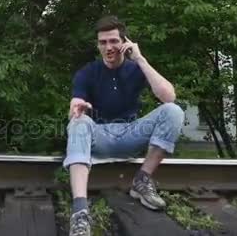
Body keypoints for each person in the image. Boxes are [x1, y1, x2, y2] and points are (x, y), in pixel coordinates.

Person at [65, 15, 185, 236]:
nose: (108, 47)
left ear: (124, 43)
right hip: (99, 135)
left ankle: (141, 181)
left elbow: (168, 96)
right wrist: (77, 107)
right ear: (98, 45)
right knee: (78, 122)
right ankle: (80, 213)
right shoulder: (87, 72)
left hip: (132, 133)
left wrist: (140, 59)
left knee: (173, 111)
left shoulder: (136, 68)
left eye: (113, 41)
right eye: (103, 42)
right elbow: (76, 102)